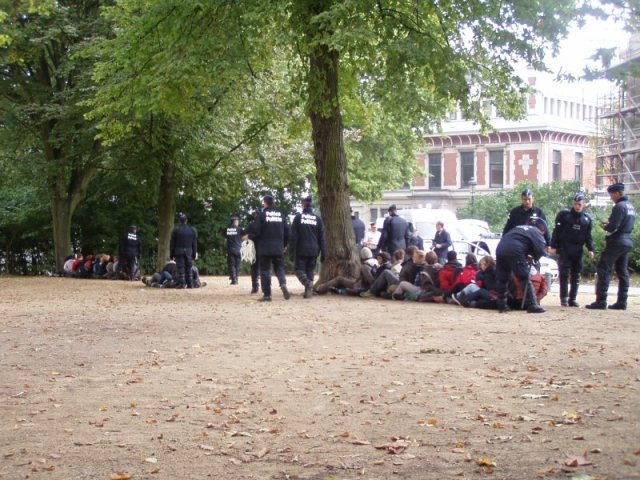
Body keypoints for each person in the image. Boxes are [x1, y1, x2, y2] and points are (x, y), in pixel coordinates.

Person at [586, 183, 636, 310]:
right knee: (622, 271)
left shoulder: (619, 206)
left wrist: (605, 226)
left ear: (618, 193)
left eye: (612, 194)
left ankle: (601, 300)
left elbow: (613, 227)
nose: (611, 197)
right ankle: (622, 301)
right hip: (627, 241)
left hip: (616, 242)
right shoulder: (630, 206)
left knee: (604, 268)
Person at [549, 193, 595, 307]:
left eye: (579, 204)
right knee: (564, 274)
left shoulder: (586, 219)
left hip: (578, 250)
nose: (577, 206)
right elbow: (556, 232)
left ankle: (572, 298)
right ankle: (564, 298)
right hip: (565, 248)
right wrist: (553, 246)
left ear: (583, 204)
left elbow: (588, 236)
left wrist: (590, 249)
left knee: (576, 274)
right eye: (575, 204)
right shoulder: (565, 216)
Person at [495, 219, 548, 314]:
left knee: (502, 278)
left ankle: (502, 305)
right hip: (515, 249)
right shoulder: (536, 232)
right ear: (542, 230)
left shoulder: (518, 228)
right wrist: (534, 258)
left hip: (500, 248)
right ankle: (532, 304)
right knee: (523, 276)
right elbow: (540, 251)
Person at [254, 194, 290, 302]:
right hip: (278, 247)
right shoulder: (281, 215)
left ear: (265, 203)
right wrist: (284, 245)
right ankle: (283, 283)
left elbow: (256, 231)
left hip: (265, 248)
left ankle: (267, 295)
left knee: (265, 270)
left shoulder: (262, 215)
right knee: (279, 268)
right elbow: (288, 232)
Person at [290, 196, 326, 299]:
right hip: (314, 250)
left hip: (301, 249)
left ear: (303, 206)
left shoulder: (298, 218)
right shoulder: (317, 219)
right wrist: (324, 252)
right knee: (310, 270)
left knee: (298, 269)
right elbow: (322, 238)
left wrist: (291, 252)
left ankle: (307, 283)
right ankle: (308, 292)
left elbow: (294, 237)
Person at [170, 213, 198, 288]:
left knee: (180, 267)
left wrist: (171, 254)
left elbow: (172, 244)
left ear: (180, 221)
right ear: (186, 221)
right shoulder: (192, 230)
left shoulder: (176, 230)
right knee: (189, 267)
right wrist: (194, 254)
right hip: (189, 251)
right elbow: (194, 244)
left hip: (179, 251)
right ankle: (190, 284)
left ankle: (182, 283)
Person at [226, 215, 243, 285]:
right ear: (235, 222)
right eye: (237, 221)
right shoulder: (240, 229)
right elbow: (245, 236)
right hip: (238, 249)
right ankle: (237, 279)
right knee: (237, 265)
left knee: (232, 265)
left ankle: (234, 280)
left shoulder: (227, 229)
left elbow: (226, 237)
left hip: (230, 249)